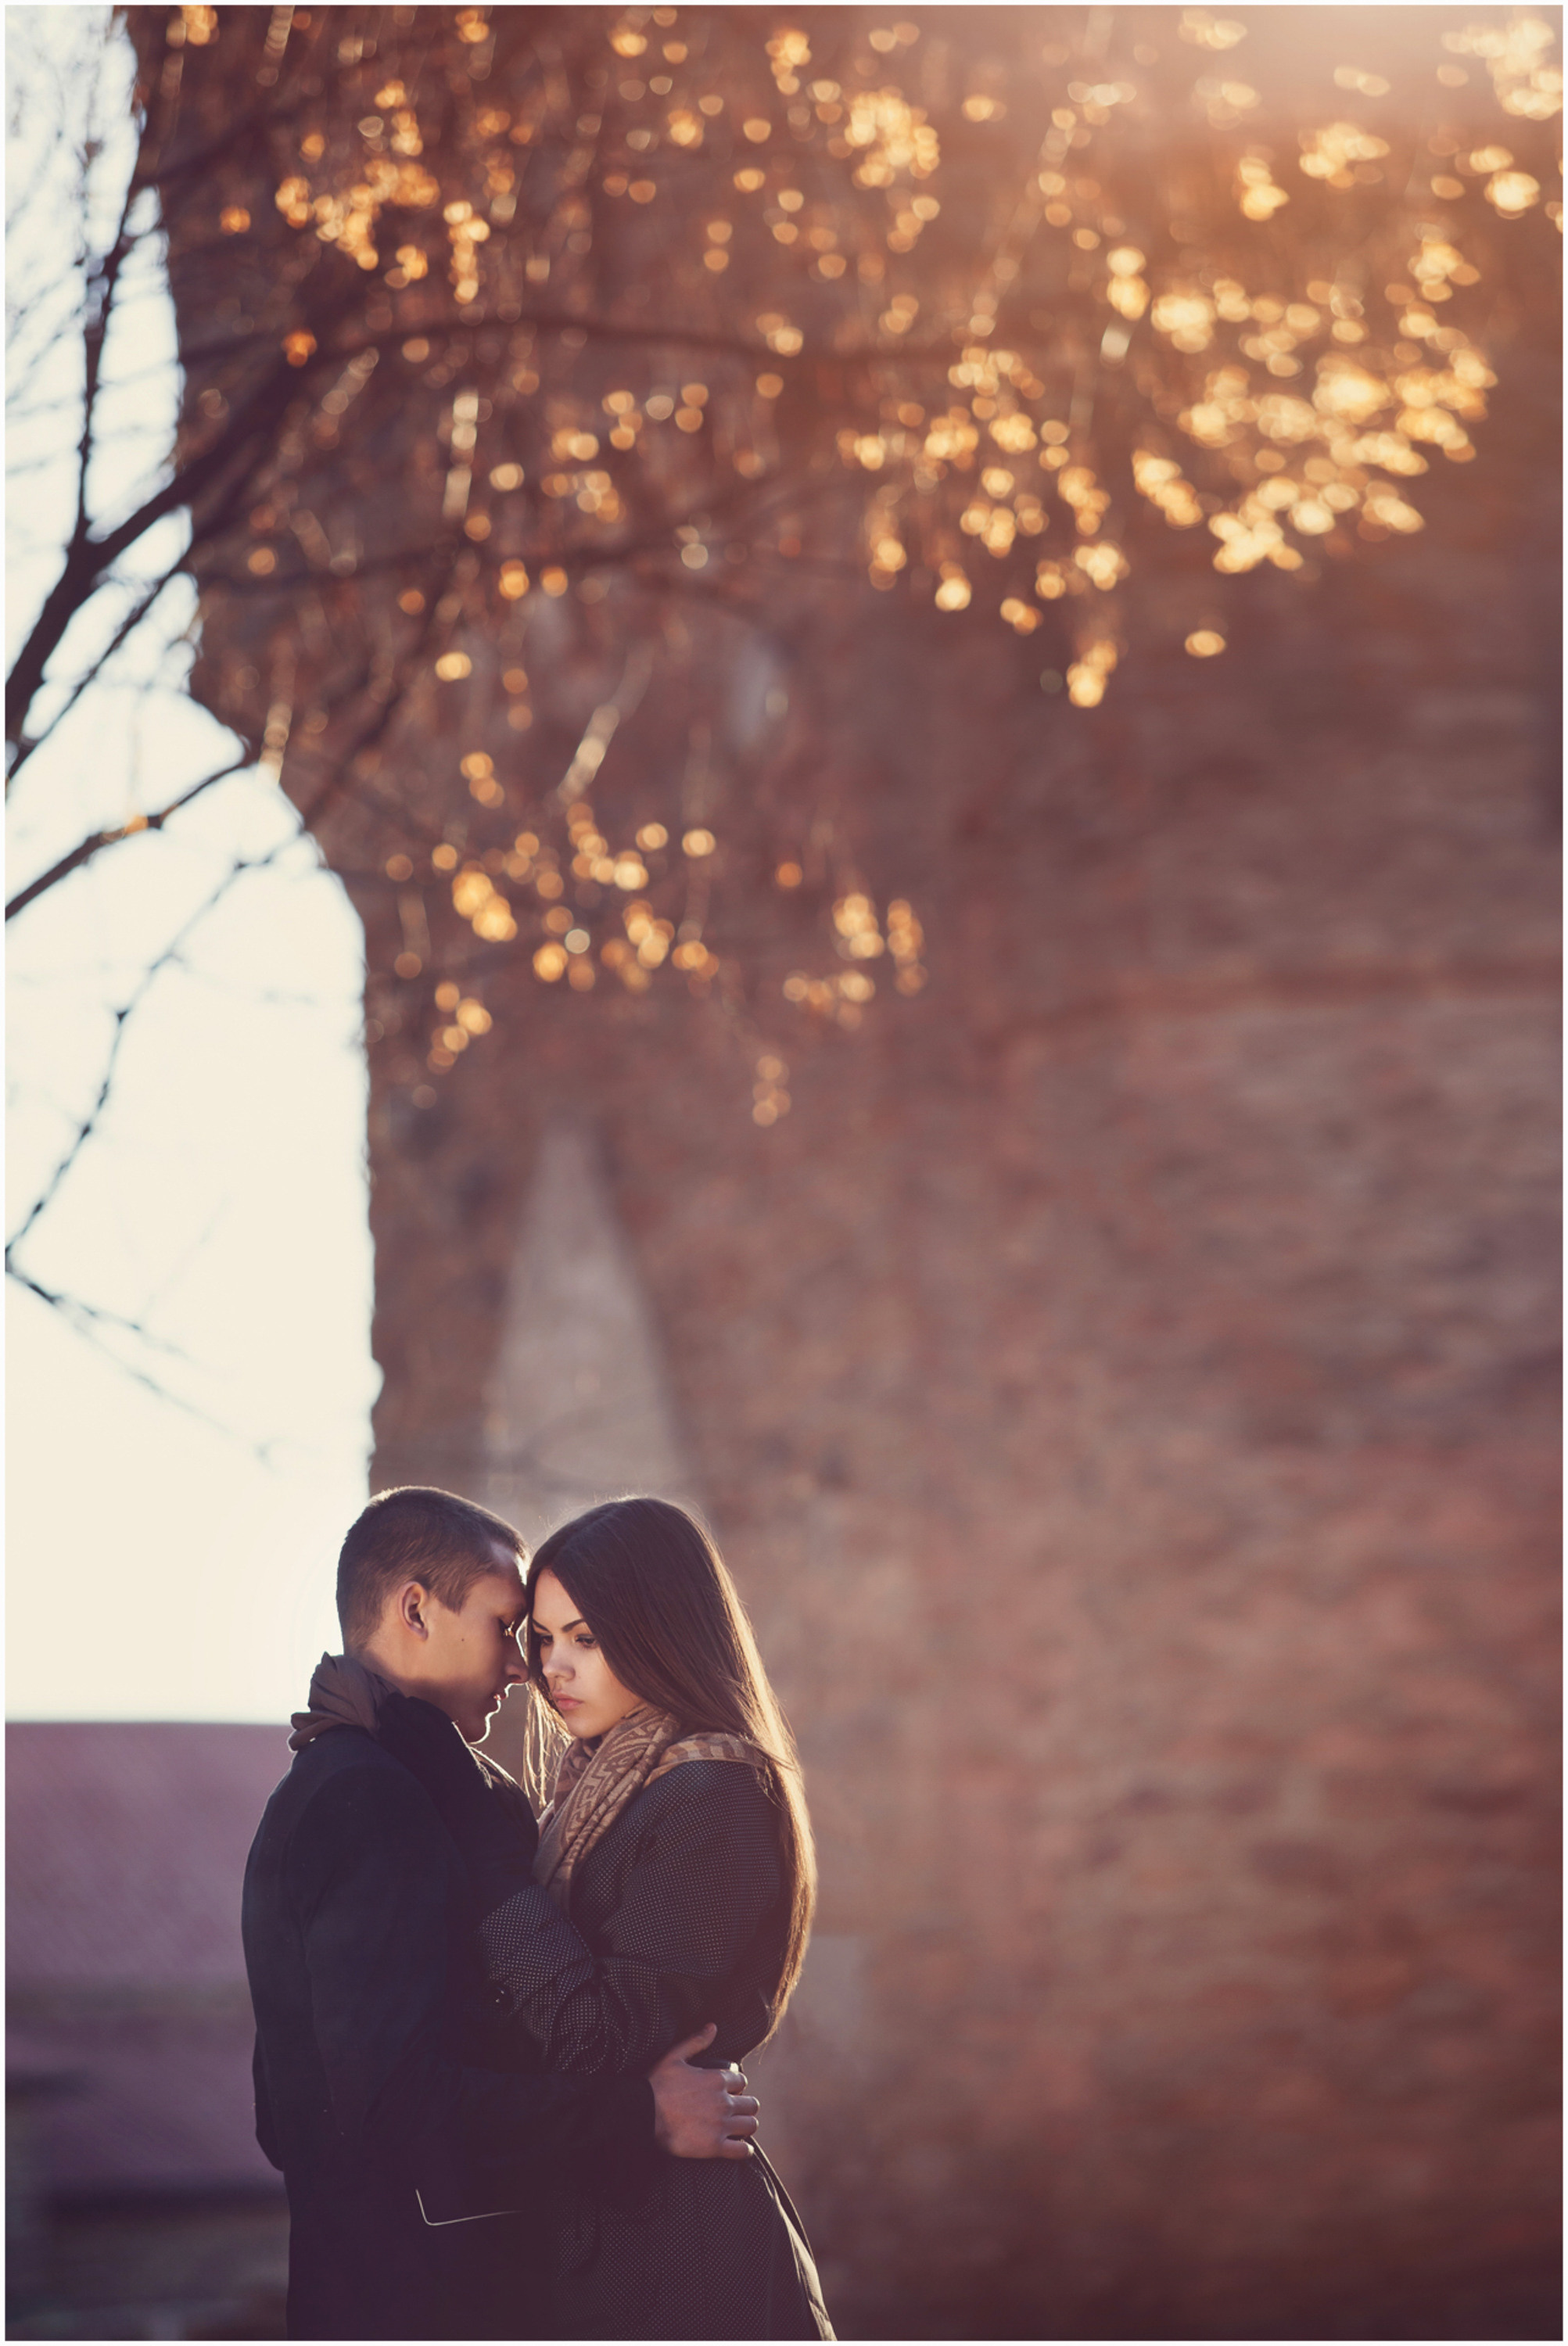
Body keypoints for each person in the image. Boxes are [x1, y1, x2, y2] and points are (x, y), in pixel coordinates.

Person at [242, 1487, 761, 2343]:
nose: (525, 1667)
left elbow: (282, 2113)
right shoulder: (370, 1799)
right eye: (505, 1626)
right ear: (416, 1608)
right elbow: (386, 2105)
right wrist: (642, 2115)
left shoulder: (400, 1787)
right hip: (430, 2304)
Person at [386, 1494, 835, 2341]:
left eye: (586, 1640)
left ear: (661, 1630)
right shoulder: (593, 1794)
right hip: (605, 2224)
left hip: (678, 2255)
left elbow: (598, 2036)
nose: (555, 1669)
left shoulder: (712, 1796)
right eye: (544, 1640)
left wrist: (485, 1848)